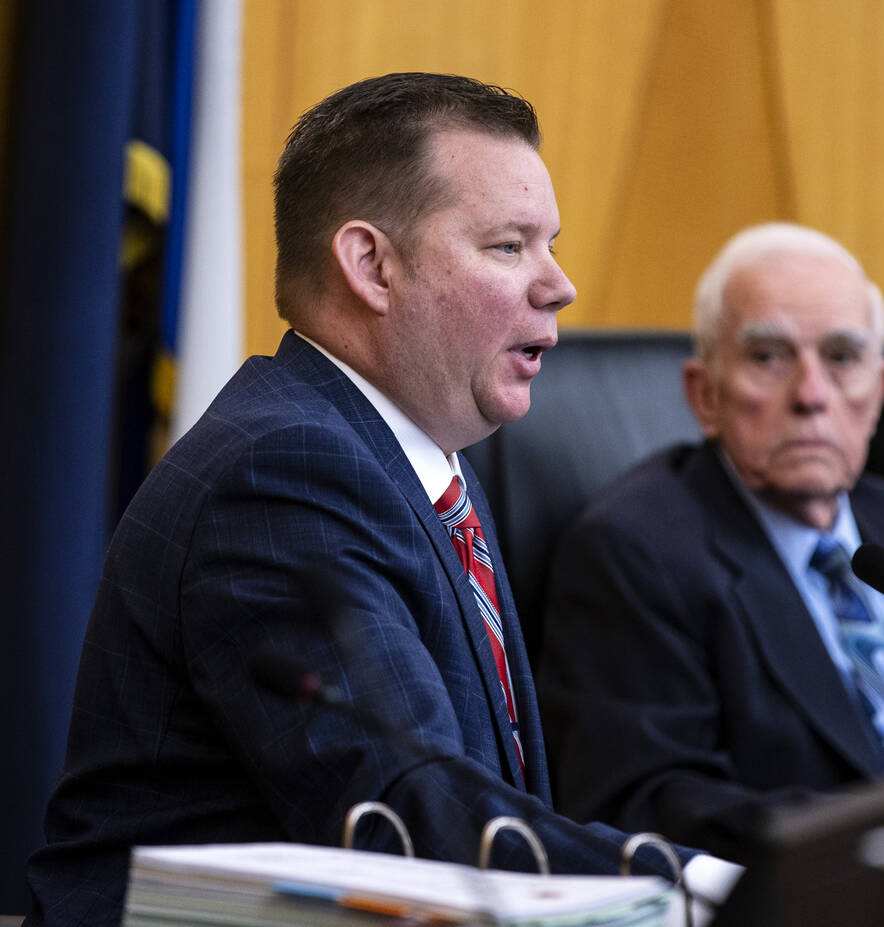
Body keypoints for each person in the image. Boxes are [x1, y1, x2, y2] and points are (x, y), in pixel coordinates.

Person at [26, 73, 737, 926]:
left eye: (550, 245)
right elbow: (415, 817)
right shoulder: (285, 474)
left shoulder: (421, 462)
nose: (560, 285)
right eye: (510, 247)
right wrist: (729, 894)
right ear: (371, 265)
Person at [537, 222, 884, 862]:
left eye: (843, 358)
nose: (812, 395)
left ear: (878, 394)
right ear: (705, 394)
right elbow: (643, 803)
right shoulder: (636, 553)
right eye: (769, 357)